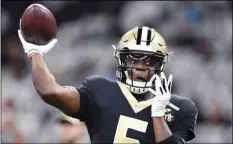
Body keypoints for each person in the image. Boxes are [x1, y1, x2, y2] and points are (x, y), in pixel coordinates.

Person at [18, 25, 198, 144]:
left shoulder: (180, 108)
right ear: (121, 60)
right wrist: (35, 53)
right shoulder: (99, 90)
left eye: (149, 62)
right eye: (133, 60)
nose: (140, 68)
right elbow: (50, 92)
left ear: (160, 65)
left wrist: (158, 114)